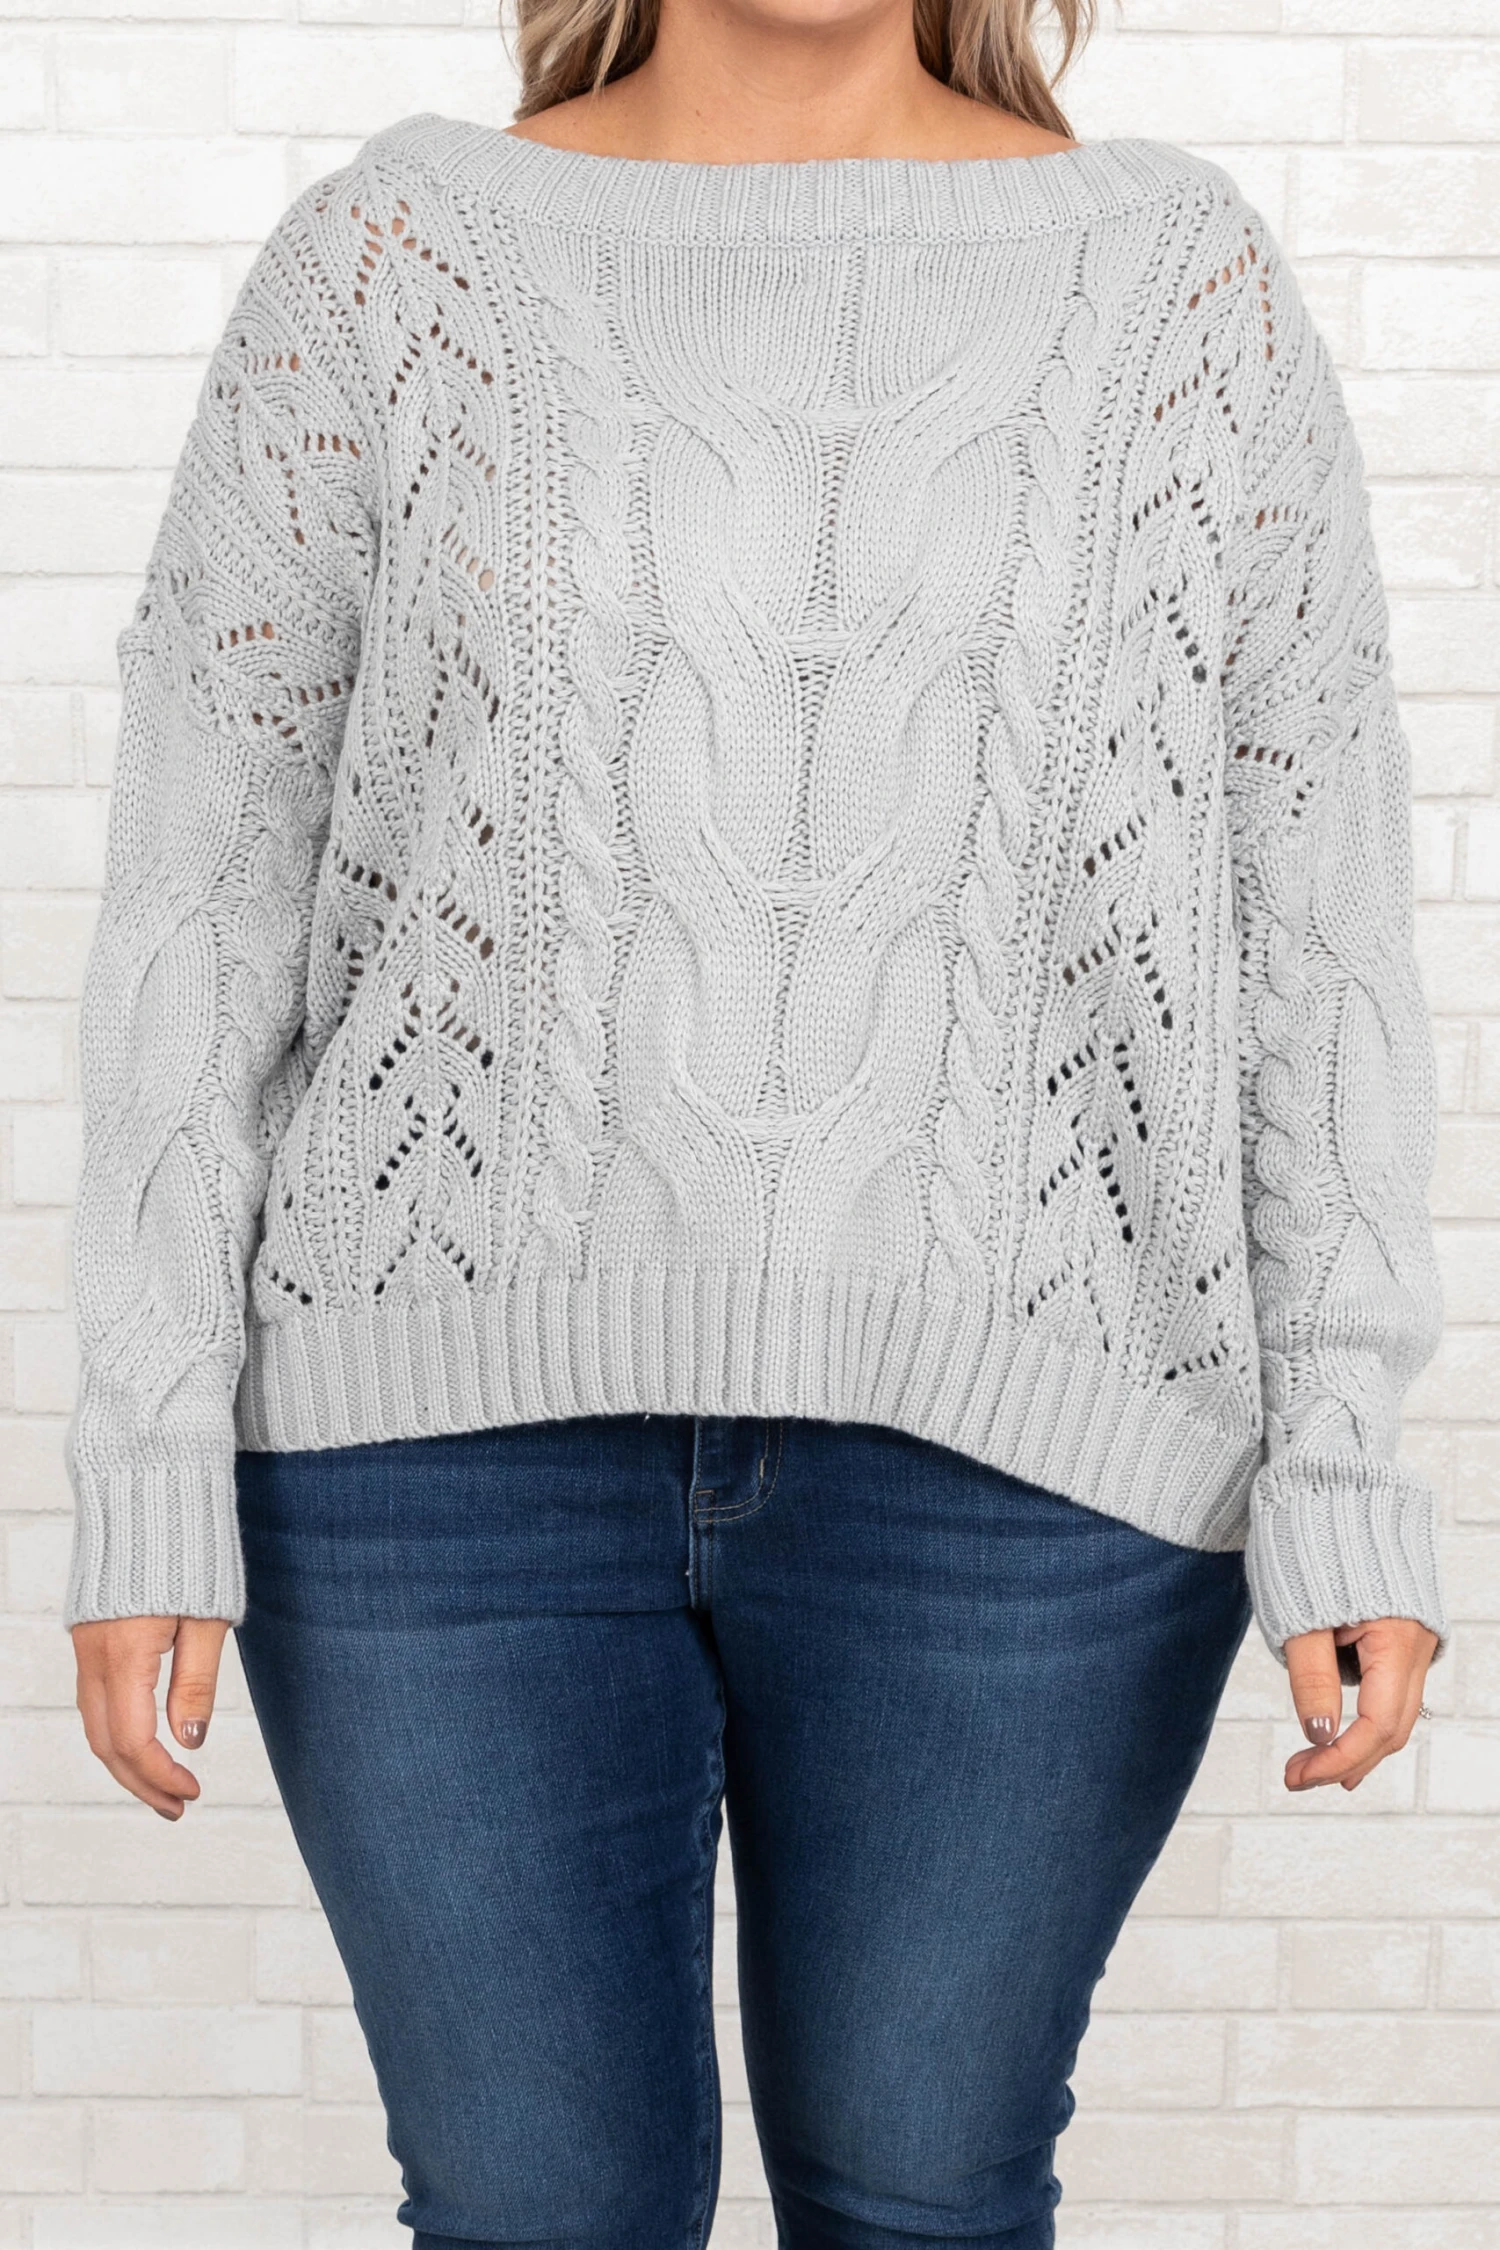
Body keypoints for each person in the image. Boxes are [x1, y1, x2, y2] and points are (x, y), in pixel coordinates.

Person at [65, 0, 1448, 2237]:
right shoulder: (397, 256)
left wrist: (1348, 1470)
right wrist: (143, 1460)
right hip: (431, 1453)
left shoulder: (1177, 286)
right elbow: (200, 894)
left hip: (1032, 1457)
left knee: (923, 2197)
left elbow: (1316, 918)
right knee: (535, 2216)